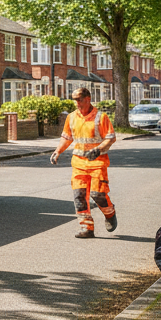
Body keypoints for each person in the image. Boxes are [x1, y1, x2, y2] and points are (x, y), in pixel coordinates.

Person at [50, 87, 117, 238]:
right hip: (79, 164)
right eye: (75, 100)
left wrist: (99, 149)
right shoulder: (72, 117)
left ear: (88, 99)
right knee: (79, 196)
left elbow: (110, 138)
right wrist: (57, 151)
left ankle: (110, 213)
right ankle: (86, 228)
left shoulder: (101, 117)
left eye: (79, 99)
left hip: (97, 162)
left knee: (98, 194)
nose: (77, 103)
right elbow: (67, 137)